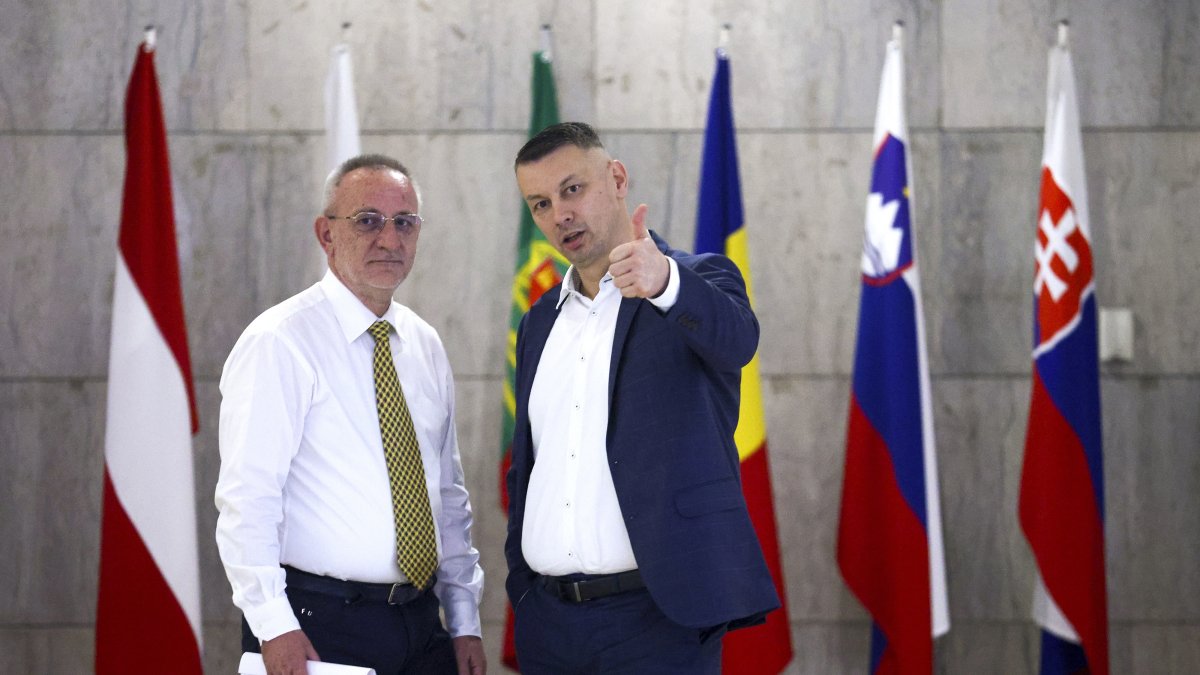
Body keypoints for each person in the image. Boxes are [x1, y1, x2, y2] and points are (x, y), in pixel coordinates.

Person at [504, 122, 780, 674]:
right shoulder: (538, 323)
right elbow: (533, 464)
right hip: (548, 625)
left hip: (658, 622)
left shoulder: (693, 280)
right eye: (540, 203)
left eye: (572, 189)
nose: (559, 214)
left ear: (617, 178)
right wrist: (523, 587)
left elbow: (738, 340)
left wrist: (665, 283)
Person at [215, 154, 486, 675]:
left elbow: (448, 498)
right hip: (318, 625)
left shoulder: (423, 344)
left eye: (405, 222)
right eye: (367, 221)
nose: (390, 239)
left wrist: (464, 619)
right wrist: (274, 625)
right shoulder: (280, 342)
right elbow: (249, 499)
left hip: (423, 623)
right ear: (326, 234)